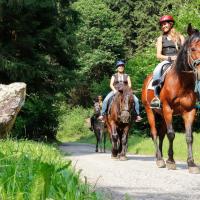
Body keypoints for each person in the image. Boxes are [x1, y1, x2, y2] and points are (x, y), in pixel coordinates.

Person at [150, 15, 185, 108]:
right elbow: (158, 55)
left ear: (171, 24)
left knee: (194, 70)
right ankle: (156, 97)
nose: (163, 26)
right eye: (161, 25)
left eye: (165, 24)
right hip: (167, 62)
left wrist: (179, 58)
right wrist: (170, 58)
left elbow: (185, 51)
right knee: (157, 70)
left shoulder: (180, 37)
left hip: (180, 62)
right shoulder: (160, 39)